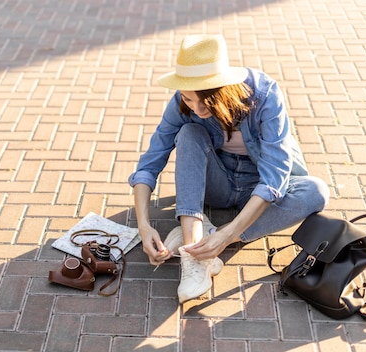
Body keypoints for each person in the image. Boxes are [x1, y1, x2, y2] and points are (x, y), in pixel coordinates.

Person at [128, 34, 330, 303]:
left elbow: (274, 179)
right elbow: (150, 162)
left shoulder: (265, 95)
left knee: (316, 191)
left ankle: (207, 239)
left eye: (207, 102)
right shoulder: (183, 100)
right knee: (189, 133)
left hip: (257, 188)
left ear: (223, 88)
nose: (198, 109)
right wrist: (143, 226)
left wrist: (229, 234)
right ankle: (194, 256)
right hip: (217, 184)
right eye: (189, 100)